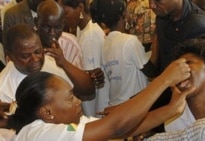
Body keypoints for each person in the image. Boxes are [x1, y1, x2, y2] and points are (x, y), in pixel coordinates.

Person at [8, 57, 193, 140]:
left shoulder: (67, 125)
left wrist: (170, 109)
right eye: (70, 98)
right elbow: (115, 126)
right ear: (47, 112)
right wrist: (163, 80)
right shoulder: (40, 134)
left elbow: (120, 130)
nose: (78, 101)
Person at [148, 0, 205, 132]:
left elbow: (190, 80)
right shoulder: (162, 17)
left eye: (157, 1)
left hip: (188, 102)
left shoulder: (197, 25)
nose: (151, 6)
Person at [0, 23, 95, 104]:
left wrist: (64, 64)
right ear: (10, 56)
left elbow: (88, 91)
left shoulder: (51, 62)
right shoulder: (3, 88)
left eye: (38, 51)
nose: (35, 59)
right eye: (25, 56)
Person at [90, 0, 158, 106]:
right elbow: (151, 71)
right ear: (124, 14)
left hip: (115, 105)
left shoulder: (105, 44)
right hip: (133, 106)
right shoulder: (130, 41)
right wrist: (156, 42)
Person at [57, 0, 109, 117]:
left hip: (95, 107)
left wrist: (90, 116)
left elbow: (91, 81)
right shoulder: (82, 30)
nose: (63, 19)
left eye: (65, 13)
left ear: (80, 8)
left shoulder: (90, 36)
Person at [36, 0, 83, 69]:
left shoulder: (71, 45)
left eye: (57, 28)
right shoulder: (26, 45)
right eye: (46, 27)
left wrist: (63, 62)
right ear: (36, 22)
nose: (52, 32)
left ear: (63, 25)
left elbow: (78, 78)